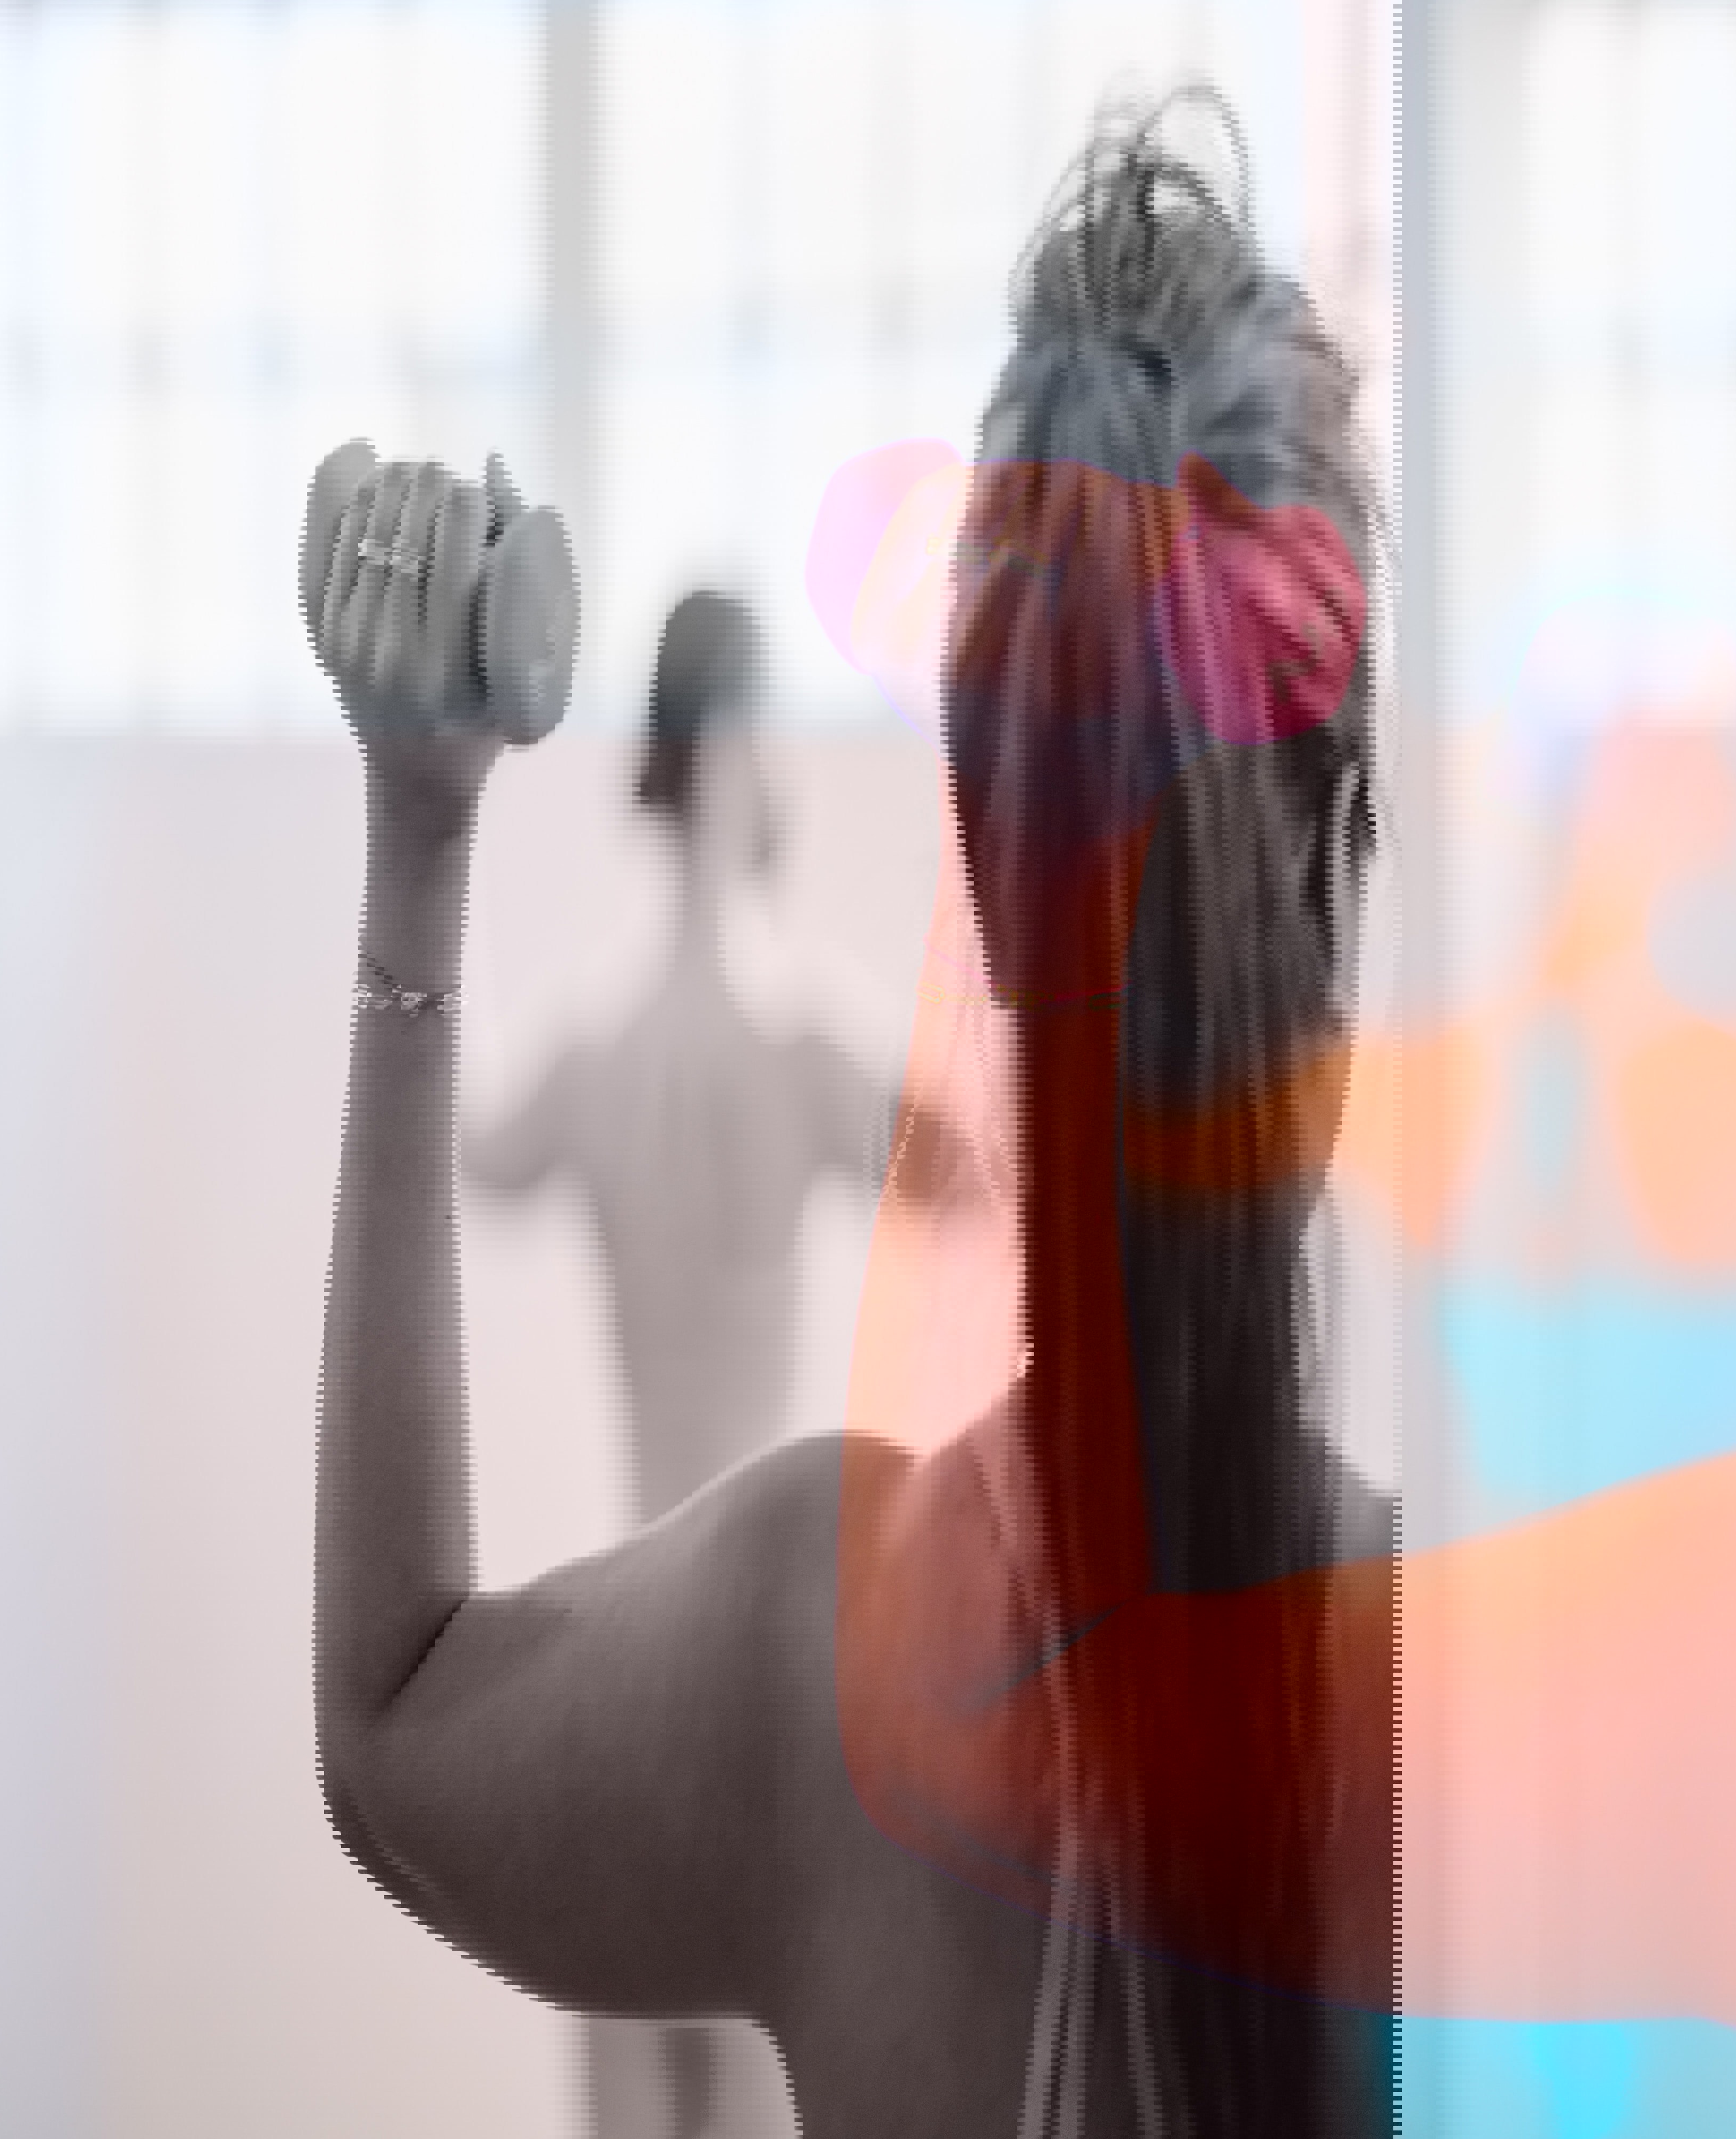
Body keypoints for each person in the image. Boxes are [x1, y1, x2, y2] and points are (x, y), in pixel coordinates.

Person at [310, 89, 1393, 2138]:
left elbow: (387, 1730)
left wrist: (420, 821)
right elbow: (969, 1162)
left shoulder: (791, 1643)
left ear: (984, 861)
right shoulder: (1502, 1723)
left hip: (702, 1666)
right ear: (1329, 876)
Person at [464, 589, 919, 2138]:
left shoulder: (601, 1062)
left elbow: (476, 1154)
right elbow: (1000, 1185)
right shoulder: (807, 1058)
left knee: (636, 2078)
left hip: (618, 1643)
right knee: (747, 2078)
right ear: (729, 754)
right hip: (765, 1658)